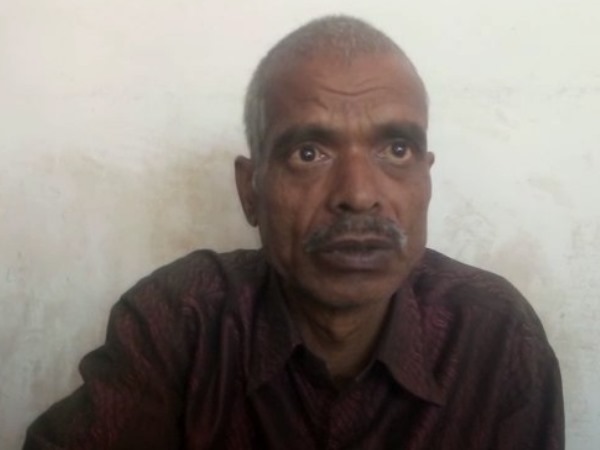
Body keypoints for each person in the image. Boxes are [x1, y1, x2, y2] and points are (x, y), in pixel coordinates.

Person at [24, 15, 564, 450]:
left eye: (396, 149)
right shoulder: (180, 321)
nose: (358, 193)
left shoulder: (495, 337)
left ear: (427, 179)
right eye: (309, 152)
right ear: (250, 190)